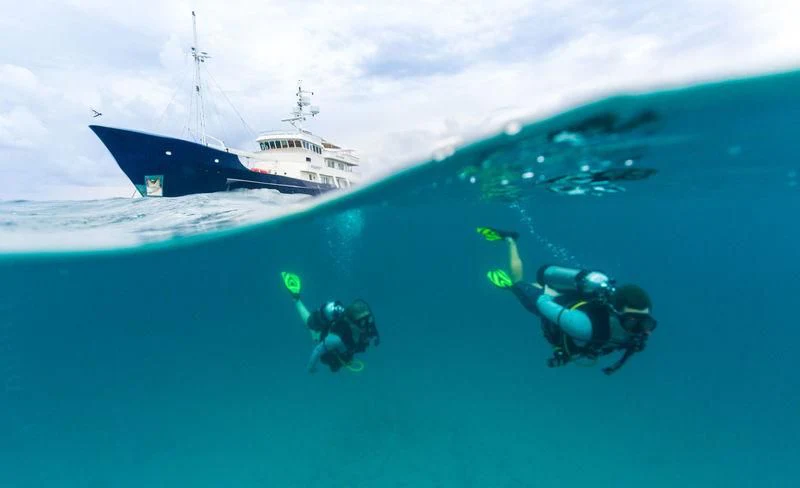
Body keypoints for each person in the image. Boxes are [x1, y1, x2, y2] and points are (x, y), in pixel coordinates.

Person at [478, 227, 657, 375]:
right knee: (518, 283)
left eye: (647, 323)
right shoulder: (580, 325)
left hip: (574, 303)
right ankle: (511, 240)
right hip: (554, 302)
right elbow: (541, 303)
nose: (641, 331)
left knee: (528, 286)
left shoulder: (635, 333)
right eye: (633, 322)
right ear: (616, 314)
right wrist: (519, 290)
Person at [281, 272, 380, 374]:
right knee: (308, 323)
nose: (367, 325)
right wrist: (310, 367)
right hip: (320, 336)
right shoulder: (337, 338)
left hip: (343, 347)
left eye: (367, 320)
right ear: (352, 324)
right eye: (362, 323)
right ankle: (296, 297)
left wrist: (376, 337)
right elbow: (317, 350)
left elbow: (371, 329)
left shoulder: (366, 325)